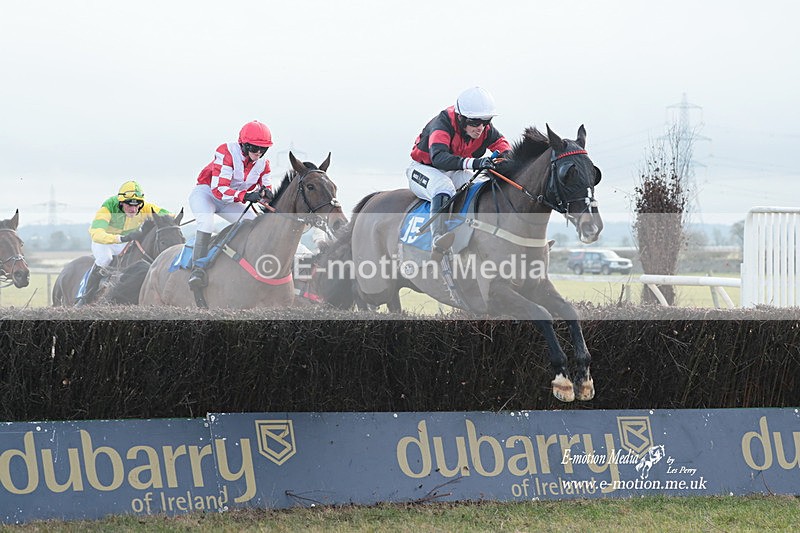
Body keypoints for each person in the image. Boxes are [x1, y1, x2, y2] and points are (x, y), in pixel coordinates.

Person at [407, 86, 512, 258]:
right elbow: (439, 158)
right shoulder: (442, 123)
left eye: (486, 121)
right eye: (475, 122)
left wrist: (505, 160)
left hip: (454, 169)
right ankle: (438, 239)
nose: (481, 128)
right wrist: (476, 162)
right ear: (461, 118)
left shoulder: (484, 128)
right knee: (444, 187)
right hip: (424, 168)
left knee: (479, 188)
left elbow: (504, 147)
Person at [187, 120, 274, 289]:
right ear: (244, 145)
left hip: (232, 200)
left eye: (263, 149)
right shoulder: (226, 151)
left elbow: (266, 190)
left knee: (253, 223)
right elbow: (219, 190)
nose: (259, 152)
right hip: (206, 195)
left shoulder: (264, 165)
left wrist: (266, 195)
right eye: (255, 148)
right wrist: (247, 195)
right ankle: (197, 269)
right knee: (206, 223)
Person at [76, 180, 171, 306]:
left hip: (125, 242)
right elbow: (96, 233)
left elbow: (168, 215)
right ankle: (85, 296)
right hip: (105, 242)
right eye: (129, 205)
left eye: (137, 205)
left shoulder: (146, 207)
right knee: (105, 259)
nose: (133, 209)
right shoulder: (108, 207)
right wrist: (121, 238)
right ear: (121, 202)